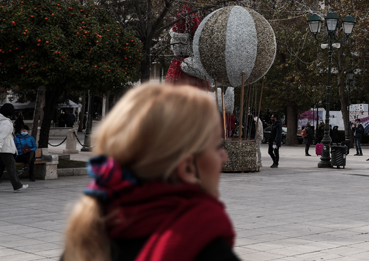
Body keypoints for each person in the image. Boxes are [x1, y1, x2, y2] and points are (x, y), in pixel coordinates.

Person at [61, 83, 239, 261]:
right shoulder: (205, 245)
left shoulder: (87, 237)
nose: (224, 158)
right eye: (217, 146)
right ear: (187, 167)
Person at [0, 104, 28, 192]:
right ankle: (17, 186)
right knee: (11, 167)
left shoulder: (1, 121)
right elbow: (2, 136)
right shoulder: (6, 123)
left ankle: (17, 185)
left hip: (3, 148)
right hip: (5, 148)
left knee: (3, 166)